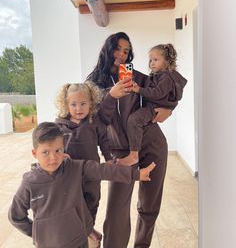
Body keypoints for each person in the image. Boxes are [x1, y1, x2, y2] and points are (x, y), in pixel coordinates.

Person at [8, 122, 155, 248]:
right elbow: (16, 216)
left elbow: (103, 170)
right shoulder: (30, 183)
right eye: (45, 152)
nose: (53, 158)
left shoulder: (75, 168)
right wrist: (39, 232)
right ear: (35, 153)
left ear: (64, 149)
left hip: (79, 240)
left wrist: (135, 174)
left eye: (58, 150)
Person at [87, 32, 172, 248]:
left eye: (126, 51)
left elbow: (161, 89)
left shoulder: (133, 74)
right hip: (120, 152)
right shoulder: (94, 82)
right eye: (117, 48)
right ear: (108, 49)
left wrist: (168, 109)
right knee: (117, 209)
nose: (122, 54)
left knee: (149, 205)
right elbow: (95, 119)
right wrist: (110, 95)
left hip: (152, 143)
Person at [54, 82, 112, 246]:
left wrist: (109, 159)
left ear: (91, 104)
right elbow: (52, 146)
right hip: (70, 175)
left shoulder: (94, 123)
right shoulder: (59, 125)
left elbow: (104, 142)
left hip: (92, 173)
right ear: (66, 104)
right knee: (72, 205)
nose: (78, 108)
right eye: (73, 104)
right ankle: (78, 234)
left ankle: (88, 229)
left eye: (83, 104)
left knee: (92, 201)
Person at [119, 43, 187, 166]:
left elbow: (157, 93)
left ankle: (133, 154)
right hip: (150, 110)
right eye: (150, 60)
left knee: (134, 120)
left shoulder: (166, 77)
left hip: (153, 109)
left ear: (167, 61)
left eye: (155, 60)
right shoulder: (159, 76)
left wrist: (138, 89)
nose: (151, 63)